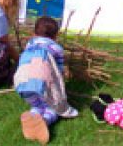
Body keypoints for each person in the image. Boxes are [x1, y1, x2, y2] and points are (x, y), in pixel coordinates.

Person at [14, 16, 78, 145]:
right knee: (53, 106)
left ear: (34, 33)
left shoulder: (30, 44)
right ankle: (44, 121)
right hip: (42, 83)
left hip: (22, 81)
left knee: (37, 104)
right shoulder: (56, 48)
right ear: (55, 35)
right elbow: (58, 70)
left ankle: (33, 117)